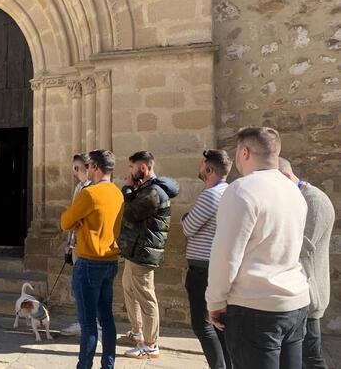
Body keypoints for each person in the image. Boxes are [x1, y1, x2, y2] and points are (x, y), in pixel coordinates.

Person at [207, 127, 309, 369]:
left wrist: (215, 301)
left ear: (244, 152)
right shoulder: (294, 191)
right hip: (294, 301)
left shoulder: (242, 189)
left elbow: (226, 254)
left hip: (255, 306)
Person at [60, 150, 124, 369]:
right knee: (107, 319)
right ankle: (108, 365)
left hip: (89, 261)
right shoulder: (117, 192)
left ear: (95, 167)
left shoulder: (90, 194)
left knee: (88, 324)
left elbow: (66, 221)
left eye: (89, 166)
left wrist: (77, 222)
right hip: (110, 260)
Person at [117, 151, 179, 359]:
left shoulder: (153, 192)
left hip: (144, 252)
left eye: (131, 168)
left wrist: (126, 189)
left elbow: (131, 212)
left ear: (142, 168)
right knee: (129, 288)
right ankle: (137, 333)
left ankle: (151, 345)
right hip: (135, 250)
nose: (129, 172)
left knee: (145, 297)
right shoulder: (146, 189)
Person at [278, 157, 334, 369]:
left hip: (309, 295)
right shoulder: (296, 198)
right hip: (296, 295)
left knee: (311, 360)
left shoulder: (314, 201)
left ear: (285, 176)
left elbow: (300, 249)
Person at [180, 150, 232, 369]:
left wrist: (185, 217)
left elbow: (188, 227)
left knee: (202, 325)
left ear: (209, 170)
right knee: (219, 325)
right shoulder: (229, 192)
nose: (199, 168)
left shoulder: (210, 195)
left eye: (202, 165)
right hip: (217, 266)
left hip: (203, 269)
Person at [61, 152, 92, 337]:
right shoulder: (79, 187)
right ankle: (84, 322)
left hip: (85, 246)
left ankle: (90, 326)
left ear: (77, 168)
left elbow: (77, 219)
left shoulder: (88, 189)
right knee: (79, 286)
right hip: (77, 244)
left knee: (84, 286)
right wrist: (69, 243)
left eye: (73, 167)